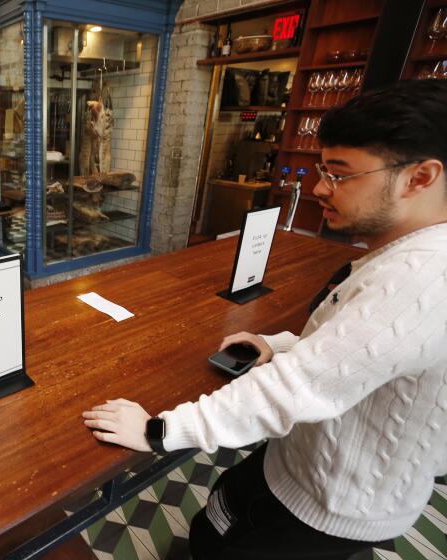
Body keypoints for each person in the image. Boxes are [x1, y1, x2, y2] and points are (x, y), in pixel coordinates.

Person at [83, 79, 447, 559]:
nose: (320, 188)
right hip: (304, 469)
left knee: (220, 542)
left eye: (340, 174)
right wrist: (281, 346)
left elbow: (296, 389)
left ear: (418, 178)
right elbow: (366, 350)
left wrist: (159, 432)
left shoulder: (422, 275)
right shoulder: (410, 256)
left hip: (331, 505)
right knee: (215, 524)